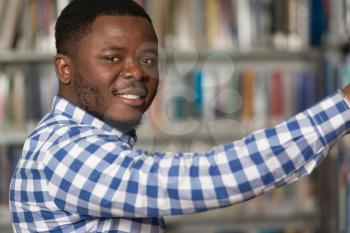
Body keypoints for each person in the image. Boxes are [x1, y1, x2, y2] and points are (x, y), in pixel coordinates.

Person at [9, 0, 350, 232]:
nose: (137, 73)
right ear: (65, 69)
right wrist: (343, 106)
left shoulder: (97, 142)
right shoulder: (64, 149)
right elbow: (205, 178)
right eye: (112, 58)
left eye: (146, 59)